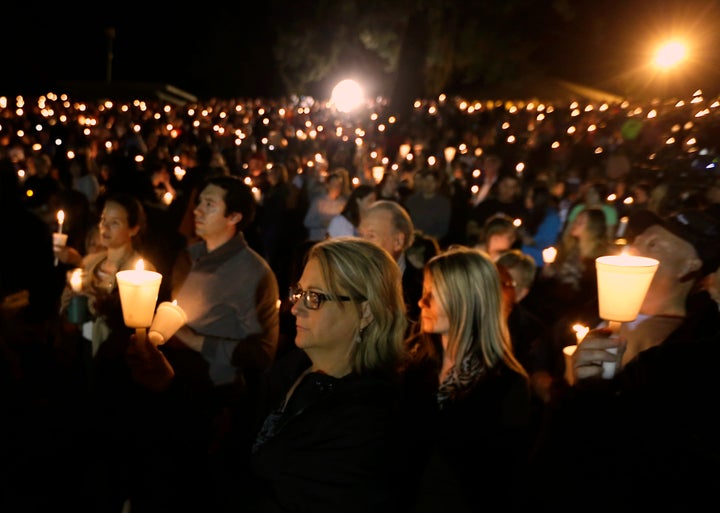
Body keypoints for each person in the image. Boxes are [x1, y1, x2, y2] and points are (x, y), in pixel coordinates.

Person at [529, 206, 720, 511]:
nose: (637, 243)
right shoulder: (596, 306)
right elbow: (546, 345)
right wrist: (541, 374)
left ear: (690, 265)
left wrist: (579, 393)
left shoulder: (682, 351)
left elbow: (630, 444)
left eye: (654, 243)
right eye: (641, 236)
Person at [248, 237, 408, 512]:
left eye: (315, 297)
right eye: (299, 293)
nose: (295, 308)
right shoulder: (295, 364)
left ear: (366, 312)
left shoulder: (366, 417)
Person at [161, 175, 280, 511]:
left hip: (219, 408)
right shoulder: (188, 257)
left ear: (234, 217)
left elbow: (262, 354)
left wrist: (197, 341)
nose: (197, 210)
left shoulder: (254, 273)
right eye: (199, 202)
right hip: (176, 392)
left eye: (209, 205)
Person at [403, 246, 532, 512]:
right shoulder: (414, 361)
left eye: (432, 294)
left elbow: (504, 482)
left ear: (466, 300)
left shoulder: (505, 384)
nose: (421, 302)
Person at [358, 199, 423, 328]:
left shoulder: (420, 291)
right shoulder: (350, 279)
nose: (362, 244)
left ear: (398, 241)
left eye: (371, 236)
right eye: (360, 235)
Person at [402, 168, 452, 243]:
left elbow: (442, 228)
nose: (428, 184)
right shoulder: (411, 200)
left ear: (437, 184)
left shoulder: (443, 203)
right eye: (426, 180)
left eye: (432, 181)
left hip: (432, 242)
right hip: (412, 240)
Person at [303, 168, 350, 241]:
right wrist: (323, 223)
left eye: (339, 185)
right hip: (318, 240)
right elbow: (307, 222)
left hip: (334, 242)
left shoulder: (343, 203)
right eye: (334, 184)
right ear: (327, 185)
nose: (337, 188)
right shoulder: (318, 202)